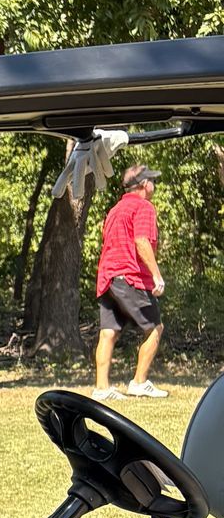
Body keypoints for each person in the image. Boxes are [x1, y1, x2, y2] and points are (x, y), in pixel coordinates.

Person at [94, 166, 167, 400]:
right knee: (155, 328)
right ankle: (139, 382)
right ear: (145, 185)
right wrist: (157, 275)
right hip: (129, 276)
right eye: (152, 182)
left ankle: (102, 389)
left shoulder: (115, 209)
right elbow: (141, 241)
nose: (153, 186)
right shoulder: (143, 206)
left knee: (108, 332)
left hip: (108, 276)